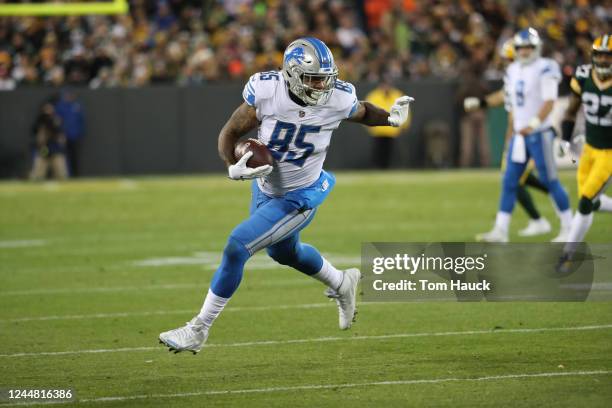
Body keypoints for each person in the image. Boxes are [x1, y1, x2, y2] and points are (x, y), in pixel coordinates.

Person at [159, 37, 413, 354]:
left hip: (301, 195)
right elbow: (230, 131)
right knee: (284, 253)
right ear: (291, 74)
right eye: (313, 78)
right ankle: (341, 281)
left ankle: (198, 329)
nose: (321, 85)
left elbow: (363, 112)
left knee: (237, 246)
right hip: (265, 187)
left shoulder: (337, 97)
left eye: (325, 77)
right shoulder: (268, 91)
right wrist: (230, 166)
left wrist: (389, 117)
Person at [476, 28, 571, 243]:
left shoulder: (546, 67)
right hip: (520, 136)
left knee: (549, 180)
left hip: (539, 133)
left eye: (529, 47)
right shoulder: (513, 71)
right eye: (521, 48)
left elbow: (549, 101)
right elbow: (507, 99)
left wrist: (534, 123)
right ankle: (501, 230)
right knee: (509, 181)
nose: (525, 51)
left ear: (536, 48)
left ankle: (568, 227)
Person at [466, 39, 551, 237]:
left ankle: (543, 210)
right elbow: (504, 96)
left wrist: (512, 137)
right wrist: (481, 102)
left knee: (511, 180)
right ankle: (549, 198)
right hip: (521, 135)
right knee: (515, 179)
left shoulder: (528, 76)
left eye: (509, 59)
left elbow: (517, 111)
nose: (506, 63)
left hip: (528, 135)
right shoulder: (516, 76)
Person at [556, 35, 612, 274]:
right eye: (599, 54)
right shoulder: (583, 76)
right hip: (589, 149)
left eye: (607, 55)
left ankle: (568, 255)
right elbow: (571, 110)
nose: (602, 59)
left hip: (609, 153)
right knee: (591, 201)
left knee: (585, 201)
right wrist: (565, 137)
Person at [364, 76, 408, 169]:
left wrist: (404, 125)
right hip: (378, 130)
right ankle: (377, 168)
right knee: (378, 152)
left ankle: (389, 169)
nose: (386, 87)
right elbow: (367, 111)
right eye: (384, 84)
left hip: (392, 131)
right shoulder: (374, 96)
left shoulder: (397, 95)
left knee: (390, 153)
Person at [30, 101, 68, 180]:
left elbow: (60, 133)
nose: (48, 110)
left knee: (61, 172)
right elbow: (36, 132)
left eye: (50, 108)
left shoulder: (56, 119)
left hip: (55, 147)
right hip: (44, 147)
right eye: (46, 108)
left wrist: (60, 139)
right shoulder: (40, 120)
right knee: (38, 173)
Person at [54, 90, 85, 177]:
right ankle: (65, 174)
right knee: (63, 156)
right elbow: (57, 121)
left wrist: (80, 132)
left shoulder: (77, 106)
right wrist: (60, 134)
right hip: (64, 135)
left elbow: (81, 121)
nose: (69, 97)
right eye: (67, 95)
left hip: (75, 135)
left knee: (74, 156)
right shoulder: (60, 106)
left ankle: (75, 175)